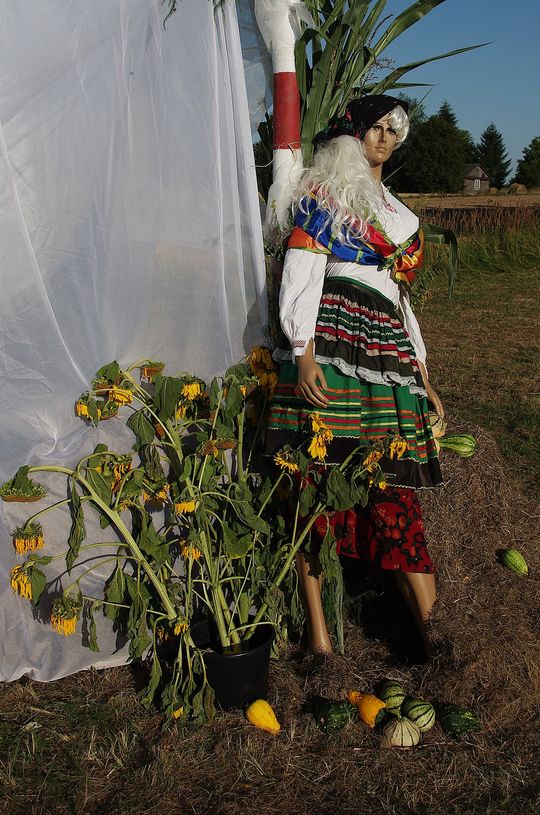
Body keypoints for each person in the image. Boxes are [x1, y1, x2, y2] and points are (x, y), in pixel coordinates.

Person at [265, 95, 444, 658]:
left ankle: (439, 635)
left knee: (393, 483)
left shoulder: (400, 218)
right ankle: (318, 637)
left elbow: (400, 298)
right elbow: (303, 264)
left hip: (387, 351)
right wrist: (303, 348)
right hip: (334, 334)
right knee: (314, 480)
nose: (386, 138)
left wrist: (421, 371)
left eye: (394, 130)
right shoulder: (327, 193)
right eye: (376, 128)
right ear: (354, 133)